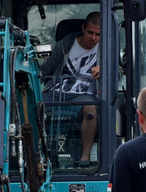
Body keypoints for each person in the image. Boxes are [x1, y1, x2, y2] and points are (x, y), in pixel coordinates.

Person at [39, 11, 101, 165]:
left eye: (98, 35)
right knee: (32, 104)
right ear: (82, 28)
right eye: (90, 32)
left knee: (91, 109)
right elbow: (45, 70)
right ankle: (35, 156)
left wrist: (104, 71)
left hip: (83, 96)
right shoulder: (64, 46)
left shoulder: (106, 50)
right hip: (56, 92)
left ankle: (84, 158)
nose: (93, 38)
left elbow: (117, 74)